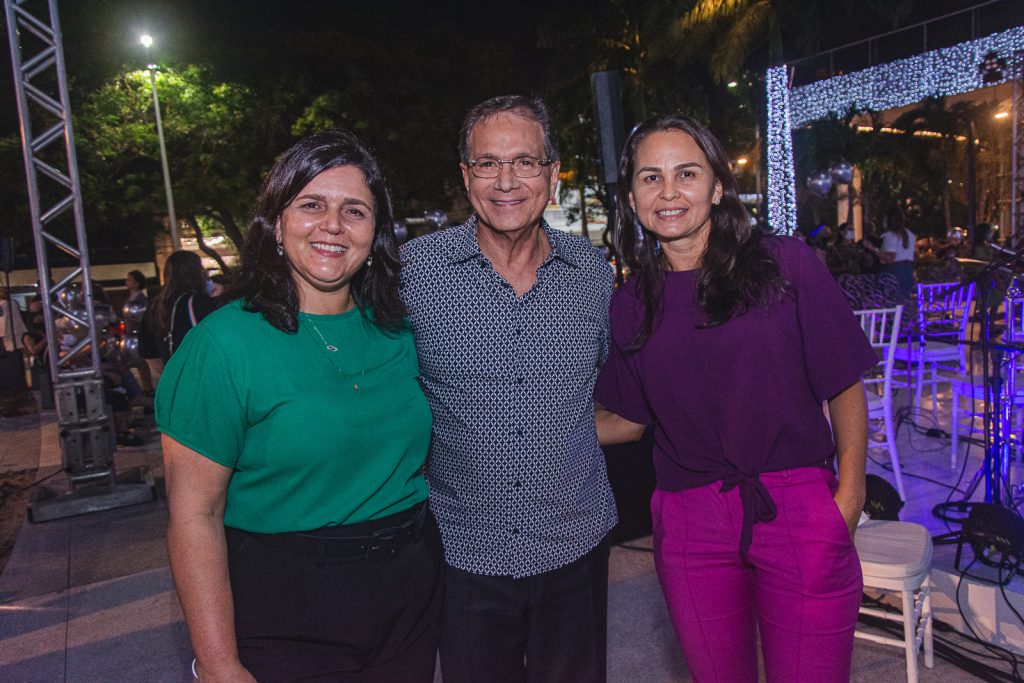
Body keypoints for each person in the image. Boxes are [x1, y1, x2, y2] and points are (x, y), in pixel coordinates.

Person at [594, 113, 876, 681]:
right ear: (631, 196)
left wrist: (848, 494)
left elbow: (844, 383)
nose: (669, 192)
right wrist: (526, 420)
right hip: (688, 519)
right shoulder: (630, 302)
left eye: (687, 173)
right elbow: (627, 419)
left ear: (717, 186)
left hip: (796, 503)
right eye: (650, 177)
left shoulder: (783, 263)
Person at [157, 129, 441, 681]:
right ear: (276, 221)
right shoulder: (222, 345)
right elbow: (194, 514)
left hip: (410, 593)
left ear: (375, 232)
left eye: (354, 211)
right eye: (312, 205)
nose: (332, 225)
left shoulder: (398, 329)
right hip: (288, 605)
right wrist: (217, 663)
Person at [401, 95, 617, 682]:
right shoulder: (413, 274)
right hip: (464, 553)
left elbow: (615, 390)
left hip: (575, 543)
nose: (506, 181)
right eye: (487, 163)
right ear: (465, 176)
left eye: (525, 162)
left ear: (552, 174)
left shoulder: (592, 273)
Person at [149, 251, 218, 362]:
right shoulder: (197, 302)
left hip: (174, 370)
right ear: (195, 272)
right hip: (199, 368)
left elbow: (149, 352)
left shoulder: (156, 305)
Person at [122, 270, 154, 394]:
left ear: (136, 283)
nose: (126, 282)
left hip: (138, 333)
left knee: (141, 362)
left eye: (129, 280)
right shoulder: (131, 298)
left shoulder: (141, 299)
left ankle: (148, 388)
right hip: (130, 332)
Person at [880, 206, 916, 302]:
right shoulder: (910, 234)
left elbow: (890, 257)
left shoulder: (890, 235)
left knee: (892, 299)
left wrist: (873, 249)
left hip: (894, 270)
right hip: (907, 269)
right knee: (904, 299)